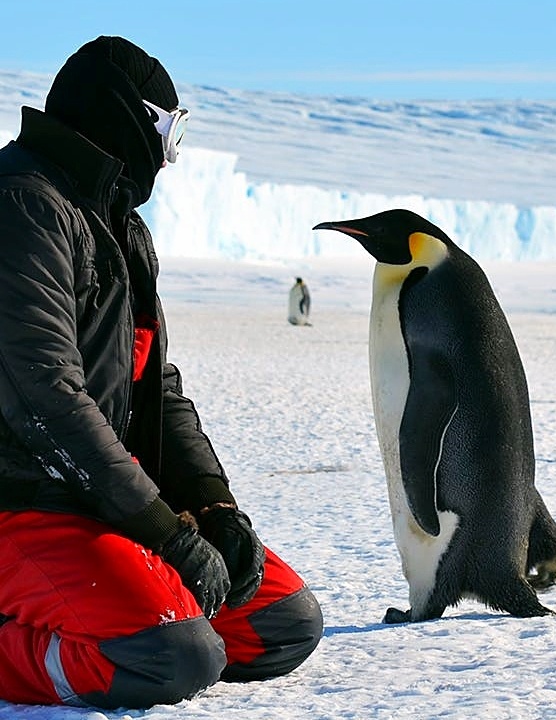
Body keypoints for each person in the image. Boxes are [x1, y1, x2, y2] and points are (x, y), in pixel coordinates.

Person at [0, 37, 322, 710]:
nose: (170, 157)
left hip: (101, 500)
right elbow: (47, 397)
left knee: (280, 623)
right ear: (125, 118)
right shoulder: (24, 205)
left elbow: (157, 389)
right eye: (169, 130)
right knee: (171, 656)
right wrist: (165, 532)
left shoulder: (116, 225)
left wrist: (213, 508)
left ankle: (121, 612)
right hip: (25, 501)